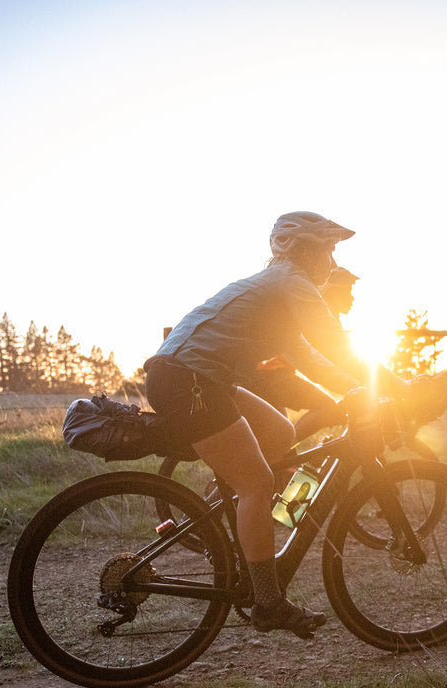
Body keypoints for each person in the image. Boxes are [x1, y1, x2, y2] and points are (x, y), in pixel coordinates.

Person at [144, 211, 406, 639]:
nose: (334, 262)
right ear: (306, 250)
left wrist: (352, 388)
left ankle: (222, 518)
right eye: (329, 250)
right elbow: (336, 345)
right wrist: (399, 385)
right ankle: (268, 602)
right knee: (257, 483)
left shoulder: (279, 287)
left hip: (196, 377)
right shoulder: (292, 281)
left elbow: (309, 358)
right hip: (187, 379)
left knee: (281, 434)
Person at [246, 266, 361, 443]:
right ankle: (281, 449)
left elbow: (337, 362)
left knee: (278, 438)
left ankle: (280, 452)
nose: (352, 297)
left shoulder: (325, 316)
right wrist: (358, 385)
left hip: (268, 375)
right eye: (347, 291)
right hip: (266, 375)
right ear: (332, 292)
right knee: (327, 407)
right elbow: (322, 363)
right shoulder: (312, 315)